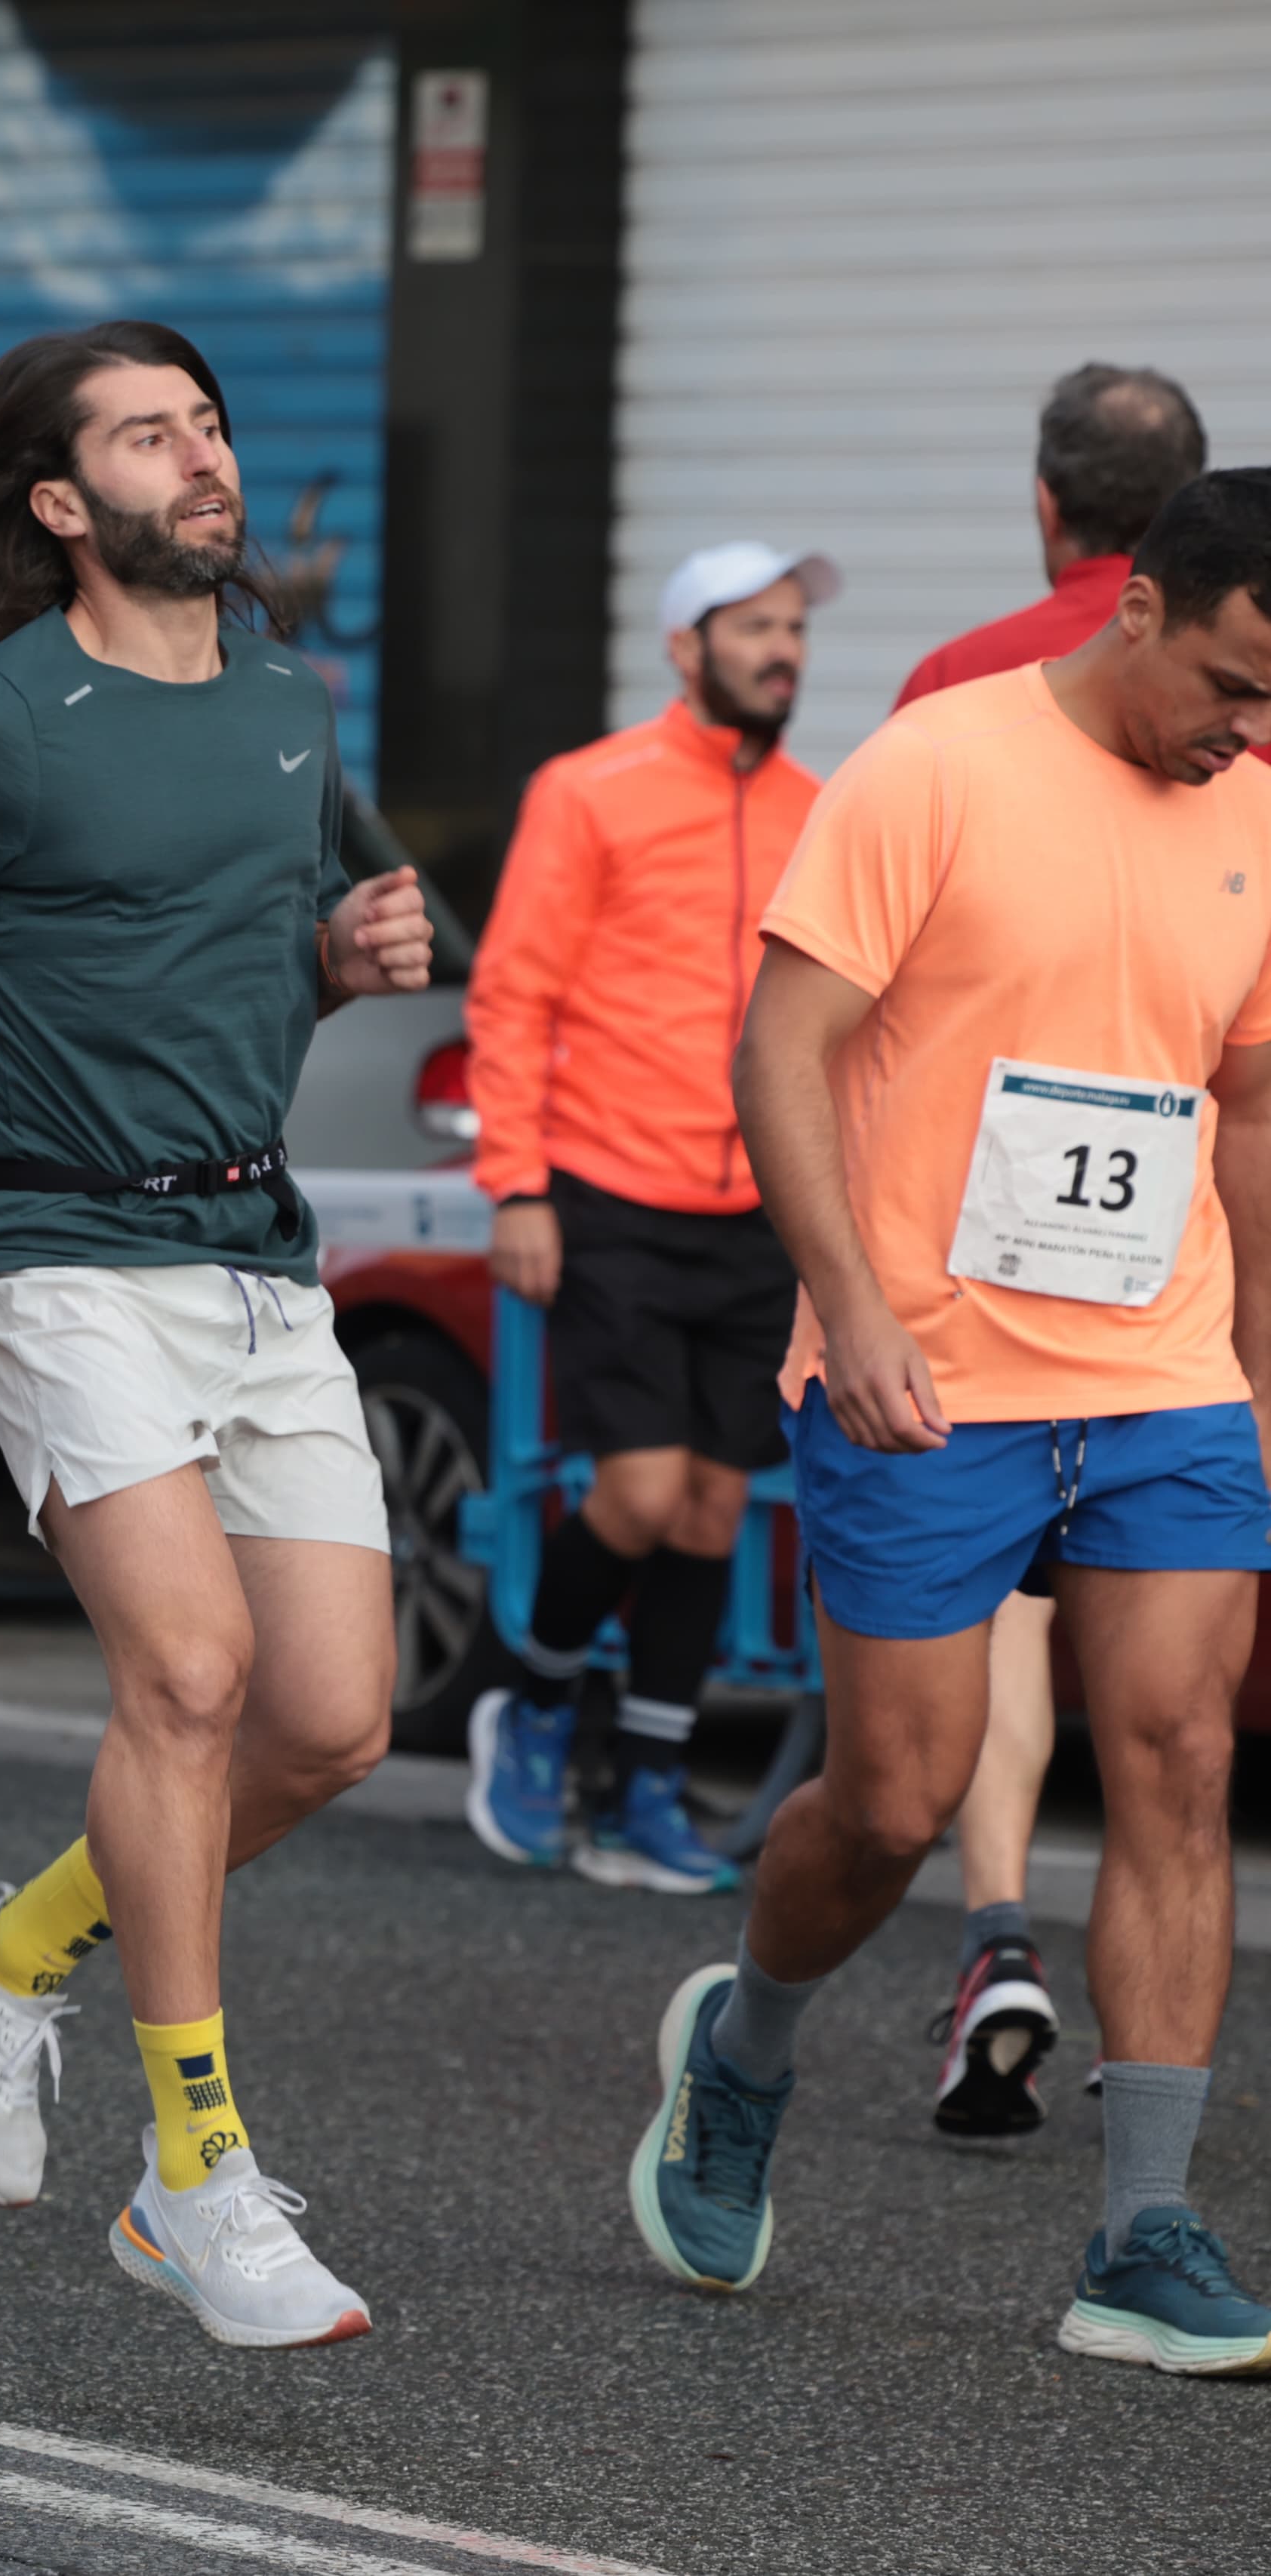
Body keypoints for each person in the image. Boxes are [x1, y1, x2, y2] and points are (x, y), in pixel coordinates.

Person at [0, 320, 434, 2349]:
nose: (203, 457)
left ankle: (4, 1941)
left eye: (210, 422)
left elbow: (235, 991)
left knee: (331, 1721)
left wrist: (336, 958)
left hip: (255, 1253)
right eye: (151, 434)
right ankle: (195, 2174)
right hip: (51, 1243)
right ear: (59, 503)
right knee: (195, 1671)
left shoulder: (294, 710)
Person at [635, 469, 1271, 2377]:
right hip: (927, 1371)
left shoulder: (1257, 800)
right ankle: (741, 2042)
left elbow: (1241, 1106)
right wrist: (844, 1305)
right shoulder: (933, 764)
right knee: (895, 1802)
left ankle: (1141, 2231)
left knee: (1173, 1760)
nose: (1246, 729)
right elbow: (780, 1047)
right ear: (1141, 607)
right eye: (1233, 682)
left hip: (1163, 1372)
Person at [891, 362, 1208, 2137]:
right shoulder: (1240, 689)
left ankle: (996, 1926)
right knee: (1176, 1715)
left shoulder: (959, 683)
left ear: (1044, 503)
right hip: (1187, 1227)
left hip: (983, 1208)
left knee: (1003, 1605)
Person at [460, 540, 834, 1894]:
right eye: (754, 626)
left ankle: (650, 1794)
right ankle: (537, 1698)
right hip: (606, 1188)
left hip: (757, 1204)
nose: (782, 648)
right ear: (687, 648)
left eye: (794, 627)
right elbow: (513, 994)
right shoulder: (589, 791)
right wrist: (516, 1182)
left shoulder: (820, 807)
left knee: (714, 1506)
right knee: (639, 1489)